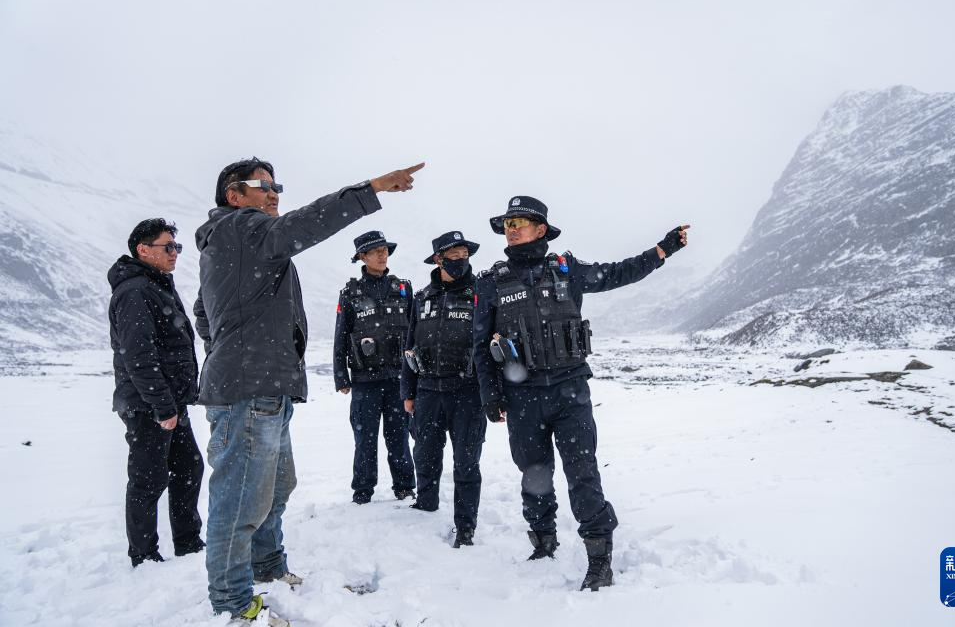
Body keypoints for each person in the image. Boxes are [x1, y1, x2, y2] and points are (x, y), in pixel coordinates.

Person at [194, 157, 422, 625]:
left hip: (266, 386)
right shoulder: (241, 228)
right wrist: (372, 188)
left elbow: (203, 311)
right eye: (262, 185)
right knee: (241, 498)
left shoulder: (241, 244)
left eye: (277, 185)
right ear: (234, 195)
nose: (274, 192)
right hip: (248, 389)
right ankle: (232, 604)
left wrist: (233, 348)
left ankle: (267, 566)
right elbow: (306, 223)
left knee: (275, 487)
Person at [472, 195, 689, 591]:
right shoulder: (490, 282)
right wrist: (491, 396)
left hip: (569, 390)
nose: (511, 230)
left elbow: (619, 272)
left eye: (518, 223)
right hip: (522, 397)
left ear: (541, 229)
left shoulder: (567, 270)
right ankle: (543, 541)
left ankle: (599, 558)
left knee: (582, 473)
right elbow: (480, 345)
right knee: (533, 473)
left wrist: (662, 250)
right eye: (506, 224)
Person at [108, 218, 204, 568]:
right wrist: (163, 407)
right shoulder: (135, 291)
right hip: (148, 405)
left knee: (189, 467)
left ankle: (188, 542)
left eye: (177, 247)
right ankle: (144, 556)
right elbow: (139, 356)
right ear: (143, 250)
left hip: (169, 403)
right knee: (148, 480)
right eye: (168, 246)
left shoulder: (157, 285)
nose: (175, 253)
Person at [401, 231, 486, 547]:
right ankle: (426, 503)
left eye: (465, 253)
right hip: (427, 390)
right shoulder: (422, 297)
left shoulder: (480, 292)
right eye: (454, 254)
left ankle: (465, 526)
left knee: (466, 461)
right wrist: (408, 392)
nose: (461, 259)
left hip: (468, 391)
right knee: (424, 453)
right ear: (439, 259)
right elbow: (410, 344)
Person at [333, 231, 416, 504]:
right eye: (375, 251)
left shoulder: (403, 289)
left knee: (399, 437)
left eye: (385, 250)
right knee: (364, 440)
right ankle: (363, 490)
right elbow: (341, 336)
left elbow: (415, 334)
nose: (382, 255)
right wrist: (341, 377)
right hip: (364, 381)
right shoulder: (350, 294)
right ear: (362, 257)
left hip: (398, 378)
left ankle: (404, 487)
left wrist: (417, 374)